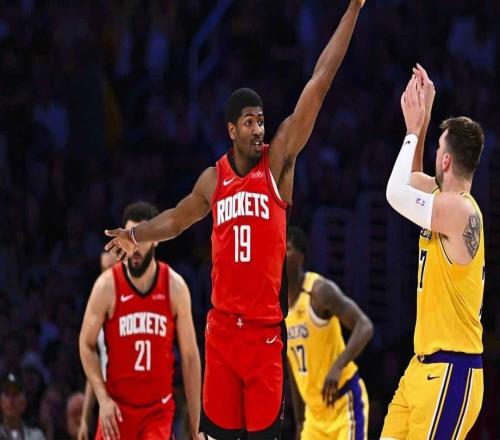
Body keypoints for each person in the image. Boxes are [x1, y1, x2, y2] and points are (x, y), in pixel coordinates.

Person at [104, 1, 367, 438]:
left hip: (264, 334)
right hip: (222, 332)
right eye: (249, 122)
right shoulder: (214, 179)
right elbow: (176, 220)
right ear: (231, 129)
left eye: (261, 121)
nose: (258, 129)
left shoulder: (277, 163)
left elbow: (319, 82)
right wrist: (137, 234)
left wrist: (353, 9)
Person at [381, 65, 485, 439]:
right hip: (422, 368)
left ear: (446, 161)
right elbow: (410, 181)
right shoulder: (443, 199)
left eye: (438, 147)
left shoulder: (460, 211)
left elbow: (395, 194)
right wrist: (423, 121)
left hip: (451, 370)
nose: (435, 152)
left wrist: (411, 131)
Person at [80, 202, 201, 440]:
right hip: (117, 409)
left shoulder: (175, 287)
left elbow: (189, 357)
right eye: (128, 237)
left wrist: (196, 424)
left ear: (156, 240)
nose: (133, 247)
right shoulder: (106, 286)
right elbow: (86, 344)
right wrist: (103, 399)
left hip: (157, 412)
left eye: (140, 237)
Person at [285, 227, 373, 439]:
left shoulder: (318, 291)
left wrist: (337, 366)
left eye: (287, 248)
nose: (280, 254)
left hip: (344, 403)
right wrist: (300, 420)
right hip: (314, 417)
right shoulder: (277, 307)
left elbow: (364, 326)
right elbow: (293, 366)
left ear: (301, 256)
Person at [78, 252, 114, 440]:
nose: (106, 275)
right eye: (103, 269)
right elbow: (94, 370)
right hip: (109, 404)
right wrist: (85, 419)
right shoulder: (98, 315)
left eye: (111, 269)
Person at [0, 372, 45, 440]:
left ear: (24, 402)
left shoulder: (36, 436)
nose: (11, 400)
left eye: (15, 394)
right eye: (7, 394)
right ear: (1, 402)